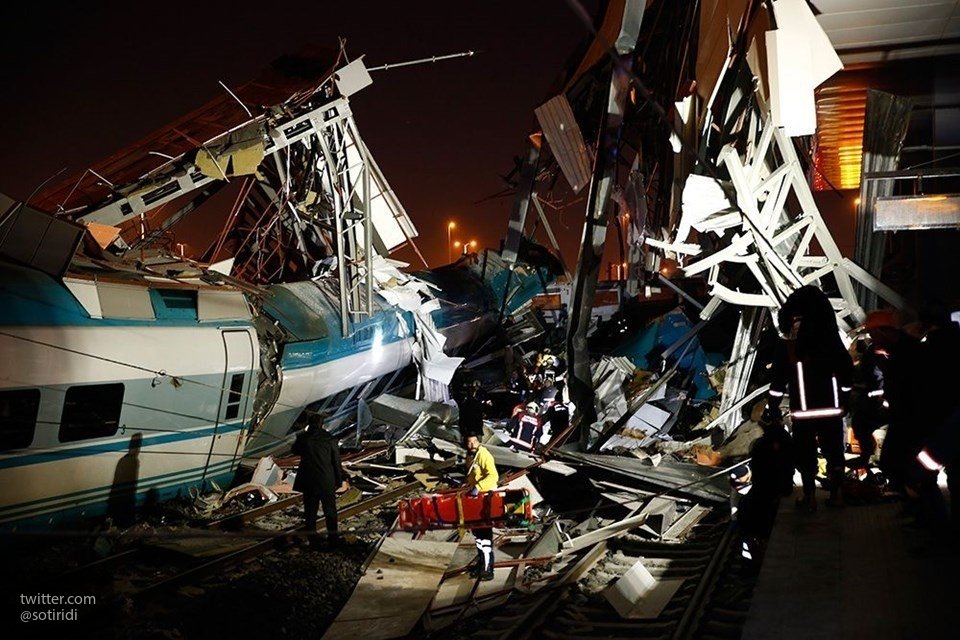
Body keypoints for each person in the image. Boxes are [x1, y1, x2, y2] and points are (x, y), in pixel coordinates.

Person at [766, 286, 854, 510]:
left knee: (805, 457)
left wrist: (773, 408)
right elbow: (847, 373)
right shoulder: (832, 344)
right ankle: (837, 496)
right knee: (835, 454)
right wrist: (844, 399)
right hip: (832, 411)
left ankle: (809, 498)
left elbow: (777, 383)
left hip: (803, 413)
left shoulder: (788, 347)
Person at [292, 414, 349, 547]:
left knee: (310, 512)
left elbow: (294, 450)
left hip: (309, 481)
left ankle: (312, 539)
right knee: (330, 511)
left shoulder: (304, 438)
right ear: (321, 424)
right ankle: (333, 539)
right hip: (326, 480)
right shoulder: (330, 439)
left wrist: (299, 436)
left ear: (309, 424)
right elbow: (336, 461)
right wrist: (338, 480)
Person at [463, 432, 499, 581]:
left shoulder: (484, 455)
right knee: (478, 535)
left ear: (479, 442)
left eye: (474, 442)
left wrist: (478, 487)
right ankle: (482, 563)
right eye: (469, 442)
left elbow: (493, 476)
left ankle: (487, 569)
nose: (471, 445)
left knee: (484, 536)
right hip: (476, 500)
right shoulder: (470, 456)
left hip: (485, 500)